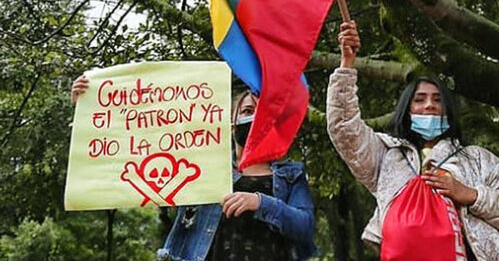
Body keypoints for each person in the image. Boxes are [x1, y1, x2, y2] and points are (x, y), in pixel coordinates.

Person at [327, 20, 499, 261]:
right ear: (407, 110)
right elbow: (343, 127)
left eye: (437, 99)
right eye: (419, 100)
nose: (430, 105)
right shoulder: (386, 156)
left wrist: (471, 195)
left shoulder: (478, 159)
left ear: (449, 110)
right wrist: (347, 65)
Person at [70, 76, 317, 261]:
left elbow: (305, 227)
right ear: (230, 123)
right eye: (247, 111)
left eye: (260, 113)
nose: (253, 119)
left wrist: (260, 202)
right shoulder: (202, 166)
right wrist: (88, 105)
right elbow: (134, 148)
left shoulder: (290, 175)